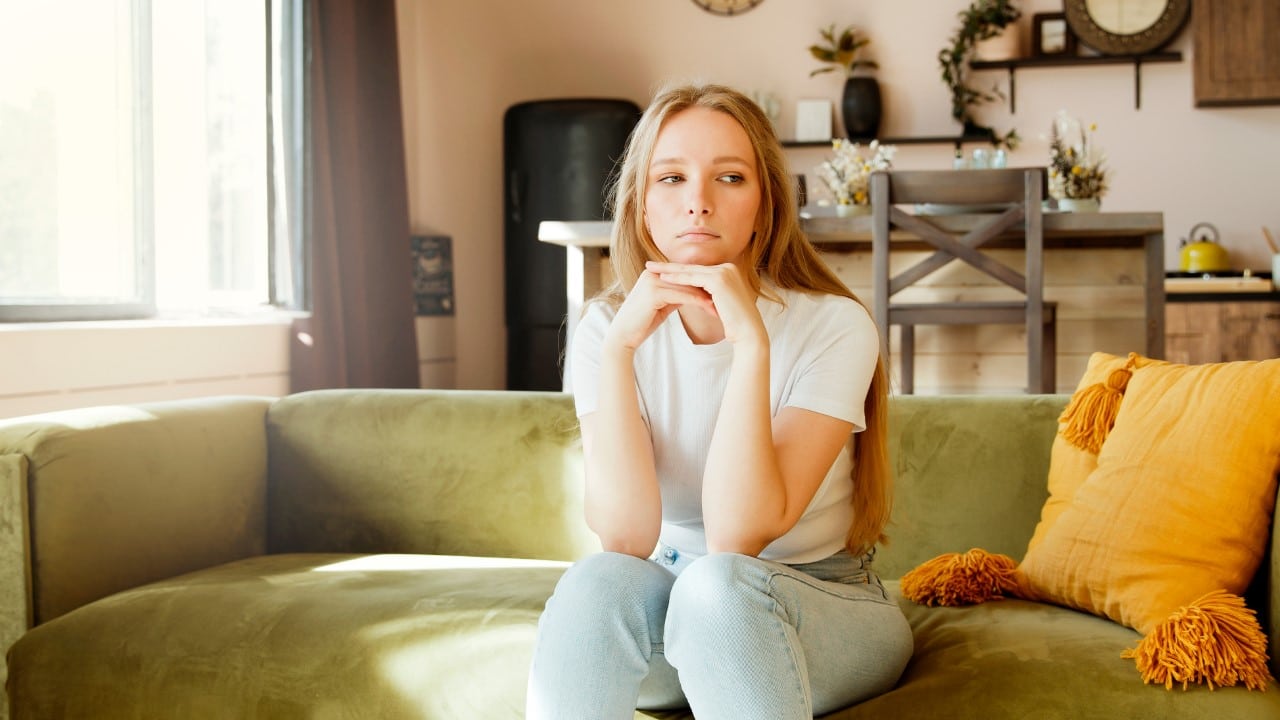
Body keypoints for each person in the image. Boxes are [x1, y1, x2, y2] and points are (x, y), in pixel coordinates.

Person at [526, 82, 912, 720]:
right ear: (641, 207)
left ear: (765, 205)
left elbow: (738, 537)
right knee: (597, 580)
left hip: (815, 605)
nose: (697, 203)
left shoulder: (836, 326)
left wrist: (750, 346)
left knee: (719, 586)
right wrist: (621, 350)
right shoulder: (605, 329)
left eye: (729, 178)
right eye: (671, 178)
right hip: (667, 610)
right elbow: (624, 537)